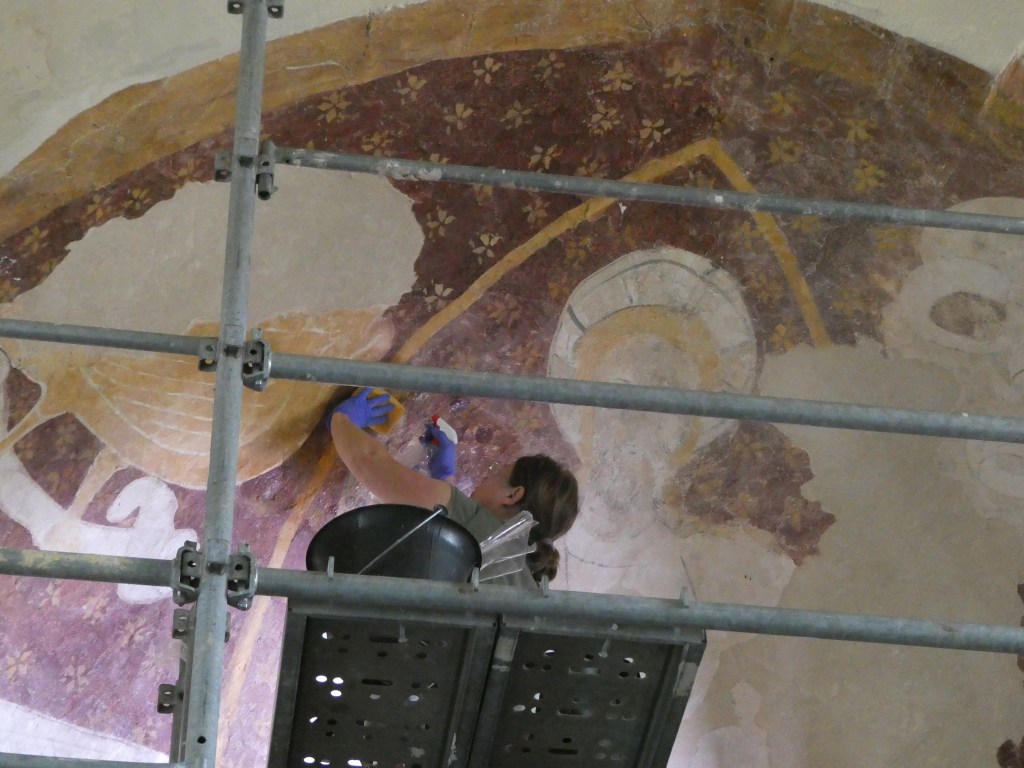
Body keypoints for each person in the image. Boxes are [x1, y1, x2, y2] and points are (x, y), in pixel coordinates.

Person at [328, 388, 579, 583]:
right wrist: (442, 479)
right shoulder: (517, 569)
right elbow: (445, 536)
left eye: (496, 473)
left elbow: (370, 463)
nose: (485, 477)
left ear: (513, 495)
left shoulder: (484, 527)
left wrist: (342, 420)